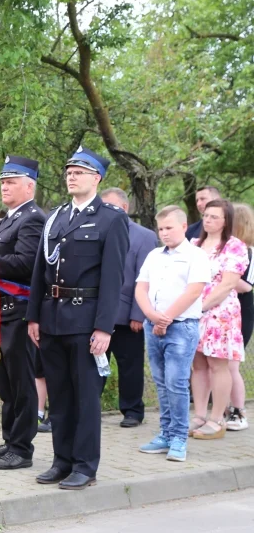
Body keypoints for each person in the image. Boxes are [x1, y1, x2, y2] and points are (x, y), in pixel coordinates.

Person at [27, 146, 129, 490]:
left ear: (97, 178)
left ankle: (85, 465)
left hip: (86, 321)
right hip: (53, 318)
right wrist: (34, 317)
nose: (72, 176)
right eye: (69, 171)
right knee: (60, 394)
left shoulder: (111, 219)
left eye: (80, 172)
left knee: (85, 397)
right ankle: (62, 460)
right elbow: (41, 270)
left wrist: (104, 327)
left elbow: (114, 278)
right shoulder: (56, 216)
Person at [0, 156, 44, 470]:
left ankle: (22, 448)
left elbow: (25, 264)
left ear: (29, 185)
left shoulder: (32, 218)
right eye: (3, 181)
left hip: (19, 312)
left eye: (11, 182)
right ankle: (10, 440)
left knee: (21, 383)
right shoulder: (6, 219)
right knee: (4, 381)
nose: (4, 186)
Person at [135, 206, 209, 462]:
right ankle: (166, 433)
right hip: (153, 326)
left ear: (183, 227)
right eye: (161, 229)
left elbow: (193, 291)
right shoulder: (154, 255)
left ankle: (179, 437)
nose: (164, 233)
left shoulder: (196, 256)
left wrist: (165, 318)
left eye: (169, 228)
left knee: (177, 383)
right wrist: (152, 316)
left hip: (181, 327)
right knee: (161, 382)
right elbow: (141, 288)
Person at [99, 188, 158, 428]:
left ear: (124, 208)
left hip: (127, 316)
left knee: (130, 366)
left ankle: (132, 410)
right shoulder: (96, 231)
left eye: (111, 206)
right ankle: (87, 408)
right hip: (97, 315)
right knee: (94, 367)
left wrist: (137, 314)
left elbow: (145, 279)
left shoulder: (144, 236)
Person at [190, 199, 248, 440]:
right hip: (193, 311)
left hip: (220, 314)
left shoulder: (235, 247)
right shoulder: (194, 244)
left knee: (218, 364)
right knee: (199, 364)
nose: (209, 220)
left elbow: (227, 284)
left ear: (226, 221)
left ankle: (217, 418)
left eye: (215, 217)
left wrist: (201, 307)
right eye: (206, 216)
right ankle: (200, 415)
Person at [227, 203, 254, 431]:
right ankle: (223, 409)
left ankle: (239, 411)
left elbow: (246, 286)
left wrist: (220, 275)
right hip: (217, 312)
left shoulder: (249, 251)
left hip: (240, 313)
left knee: (231, 364)